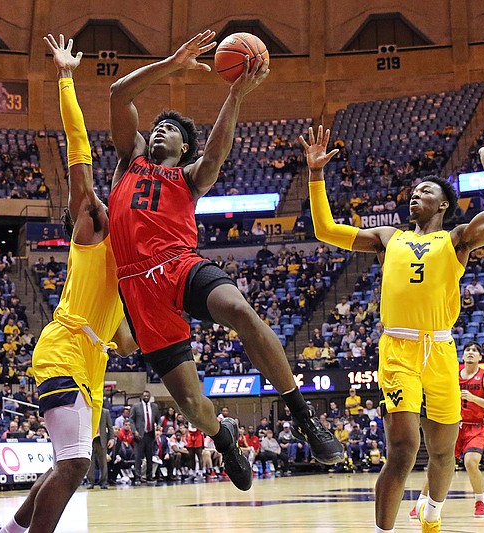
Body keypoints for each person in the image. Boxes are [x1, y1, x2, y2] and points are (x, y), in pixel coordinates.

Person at [107, 31, 342, 494]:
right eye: (157, 126)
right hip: (138, 288)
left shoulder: (191, 176)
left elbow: (216, 152)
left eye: (170, 129)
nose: (159, 130)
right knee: (194, 406)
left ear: (184, 148)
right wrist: (173, 64)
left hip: (179, 265)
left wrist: (235, 92)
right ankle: (224, 438)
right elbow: (119, 94)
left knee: (239, 310)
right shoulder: (128, 160)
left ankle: (301, 413)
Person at [302, 124, 484, 533]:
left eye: (426, 191)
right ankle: (384, 530)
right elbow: (325, 230)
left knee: (443, 452)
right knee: (402, 448)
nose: (416, 193)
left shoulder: (457, 240)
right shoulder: (386, 237)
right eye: (414, 190)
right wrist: (315, 174)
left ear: (443, 206)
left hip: (441, 350)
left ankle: (432, 510)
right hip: (398, 350)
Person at [0, 35, 137, 533]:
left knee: (67, 466)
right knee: (75, 467)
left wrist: (132, 334)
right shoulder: (94, 224)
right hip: (63, 350)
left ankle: (7, 532)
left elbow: (122, 341)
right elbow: (79, 148)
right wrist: (66, 78)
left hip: (91, 364)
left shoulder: (129, 259)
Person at [410, 342, 484, 521]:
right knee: (437, 463)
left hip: (474, 427)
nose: (471, 353)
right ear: (463, 355)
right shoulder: (453, 374)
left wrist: (473, 398)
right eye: (468, 350)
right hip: (452, 424)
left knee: (471, 463)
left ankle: (480, 502)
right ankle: (422, 501)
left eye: (475, 350)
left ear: (480, 357)